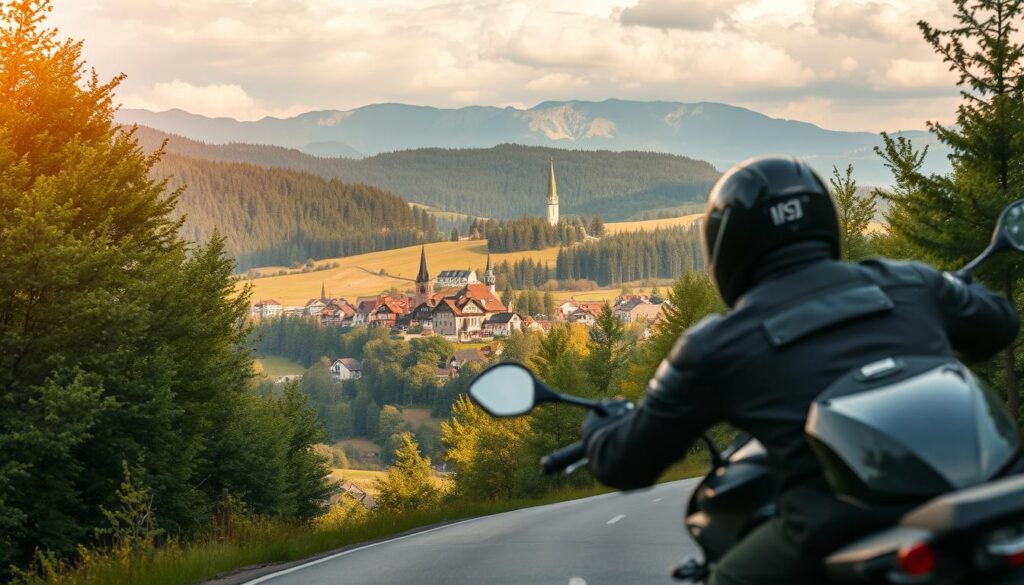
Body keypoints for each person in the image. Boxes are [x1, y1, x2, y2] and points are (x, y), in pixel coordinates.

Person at [582, 156, 1020, 585]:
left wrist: (601, 429)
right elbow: (999, 324)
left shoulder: (717, 344)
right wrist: (950, 292)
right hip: (984, 496)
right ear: (823, 220)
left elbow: (626, 464)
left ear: (725, 246)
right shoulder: (910, 282)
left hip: (835, 525)